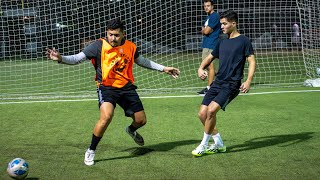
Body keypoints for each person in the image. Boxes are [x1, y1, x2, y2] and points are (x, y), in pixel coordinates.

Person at [46, 18, 180, 165]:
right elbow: (77, 58)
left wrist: (164, 68)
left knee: (141, 120)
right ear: (106, 33)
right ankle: (91, 150)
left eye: (116, 35)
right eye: (110, 34)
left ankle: (130, 130)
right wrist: (60, 58)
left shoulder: (130, 46)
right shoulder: (98, 46)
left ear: (123, 34)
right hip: (106, 87)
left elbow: (142, 61)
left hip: (126, 87)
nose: (113, 38)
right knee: (106, 117)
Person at [192, 10, 256, 156]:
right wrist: (201, 68)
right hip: (218, 83)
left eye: (225, 24)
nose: (222, 26)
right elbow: (210, 57)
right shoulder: (222, 41)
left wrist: (248, 80)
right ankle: (219, 143)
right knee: (202, 114)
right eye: (221, 24)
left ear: (234, 23)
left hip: (232, 85)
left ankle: (203, 145)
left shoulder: (244, 41)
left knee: (211, 111)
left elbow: (252, 61)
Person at [197, 0, 221, 95]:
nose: (206, 7)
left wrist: (204, 30)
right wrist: (205, 30)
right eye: (204, 6)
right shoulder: (208, 16)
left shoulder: (214, 16)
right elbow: (205, 29)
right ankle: (220, 80)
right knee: (208, 67)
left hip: (211, 44)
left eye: (208, 6)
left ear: (212, 6)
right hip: (207, 44)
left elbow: (206, 31)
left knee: (209, 66)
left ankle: (210, 88)